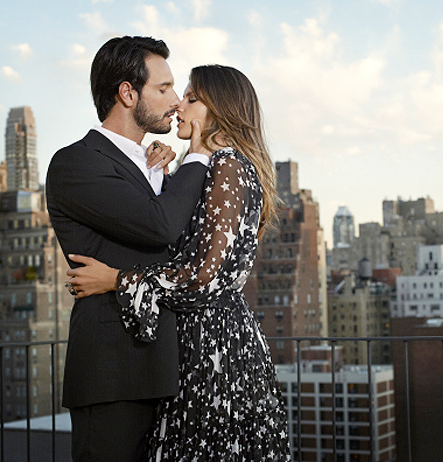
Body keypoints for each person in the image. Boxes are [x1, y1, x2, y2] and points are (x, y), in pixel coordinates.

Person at [66, 65, 291, 461]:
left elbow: (205, 276)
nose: (178, 106)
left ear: (218, 110)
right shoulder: (214, 167)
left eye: (190, 98)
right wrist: (162, 177)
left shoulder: (227, 166)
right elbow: (177, 237)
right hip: (198, 343)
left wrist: (118, 280)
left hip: (215, 350)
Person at [46, 36, 211, 461]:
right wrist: (198, 154)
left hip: (169, 368)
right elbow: (159, 226)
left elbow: (182, 245)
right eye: (164, 88)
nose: (175, 100)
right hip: (114, 375)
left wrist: (167, 171)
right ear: (127, 92)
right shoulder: (76, 164)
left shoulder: (154, 163)